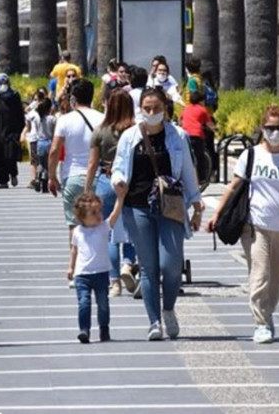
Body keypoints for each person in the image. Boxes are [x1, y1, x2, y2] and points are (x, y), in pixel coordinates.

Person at [208, 104, 279, 344]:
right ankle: (261, 323)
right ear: (263, 129)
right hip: (255, 225)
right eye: (271, 127)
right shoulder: (250, 155)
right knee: (260, 274)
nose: (276, 132)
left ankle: (267, 312)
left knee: (278, 280)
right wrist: (217, 213)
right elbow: (233, 186)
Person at [111, 87, 203, 341]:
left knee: (171, 264)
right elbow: (118, 168)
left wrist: (196, 202)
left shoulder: (177, 136)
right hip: (137, 207)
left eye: (156, 108)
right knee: (149, 267)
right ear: (140, 108)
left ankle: (169, 309)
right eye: (147, 108)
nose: (151, 113)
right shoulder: (130, 137)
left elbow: (187, 169)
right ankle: (154, 322)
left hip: (170, 206)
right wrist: (118, 181)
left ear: (165, 109)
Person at [84, 88, 138, 298]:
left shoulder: (100, 131)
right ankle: (128, 264)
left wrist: (88, 189)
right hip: (131, 181)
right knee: (133, 230)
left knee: (110, 233)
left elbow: (92, 163)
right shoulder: (135, 130)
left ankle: (114, 282)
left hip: (106, 181)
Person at [48, 78, 105, 243]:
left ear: (73, 98)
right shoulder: (102, 118)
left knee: (74, 225)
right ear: (92, 97)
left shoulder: (64, 120)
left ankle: (76, 263)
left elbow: (54, 150)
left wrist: (52, 177)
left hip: (72, 176)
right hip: (97, 176)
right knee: (98, 223)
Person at [68, 192, 125, 343]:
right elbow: (74, 250)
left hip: (101, 273)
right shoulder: (77, 232)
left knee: (103, 304)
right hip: (82, 274)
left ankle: (104, 329)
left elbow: (114, 215)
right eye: (93, 212)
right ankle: (84, 330)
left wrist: (120, 198)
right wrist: (70, 268)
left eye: (99, 210)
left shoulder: (104, 227)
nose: (98, 215)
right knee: (84, 302)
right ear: (82, 216)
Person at [0, 73, 25, 188]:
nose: (3, 86)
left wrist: (22, 131)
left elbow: (20, 114)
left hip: (12, 131)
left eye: (5, 83)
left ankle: (13, 174)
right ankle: (2, 181)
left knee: (10, 156)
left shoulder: (15, 96)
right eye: (0, 84)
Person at [181, 89, 217, 185]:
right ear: (201, 100)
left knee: (187, 157)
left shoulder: (186, 109)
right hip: (196, 135)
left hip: (185, 135)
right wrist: (216, 129)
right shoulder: (202, 110)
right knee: (199, 157)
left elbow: (181, 119)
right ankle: (201, 179)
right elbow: (209, 124)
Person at [22, 89, 47, 189]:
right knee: (34, 160)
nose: (37, 102)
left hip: (43, 138)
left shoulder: (46, 113)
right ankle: (33, 179)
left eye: (39, 100)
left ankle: (44, 178)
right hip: (33, 138)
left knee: (43, 160)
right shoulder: (31, 113)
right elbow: (27, 124)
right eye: (35, 100)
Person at [34, 98, 56, 192]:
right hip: (49, 142)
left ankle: (38, 177)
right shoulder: (52, 119)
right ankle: (44, 184)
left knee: (40, 163)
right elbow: (55, 132)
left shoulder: (37, 119)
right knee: (48, 165)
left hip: (40, 142)